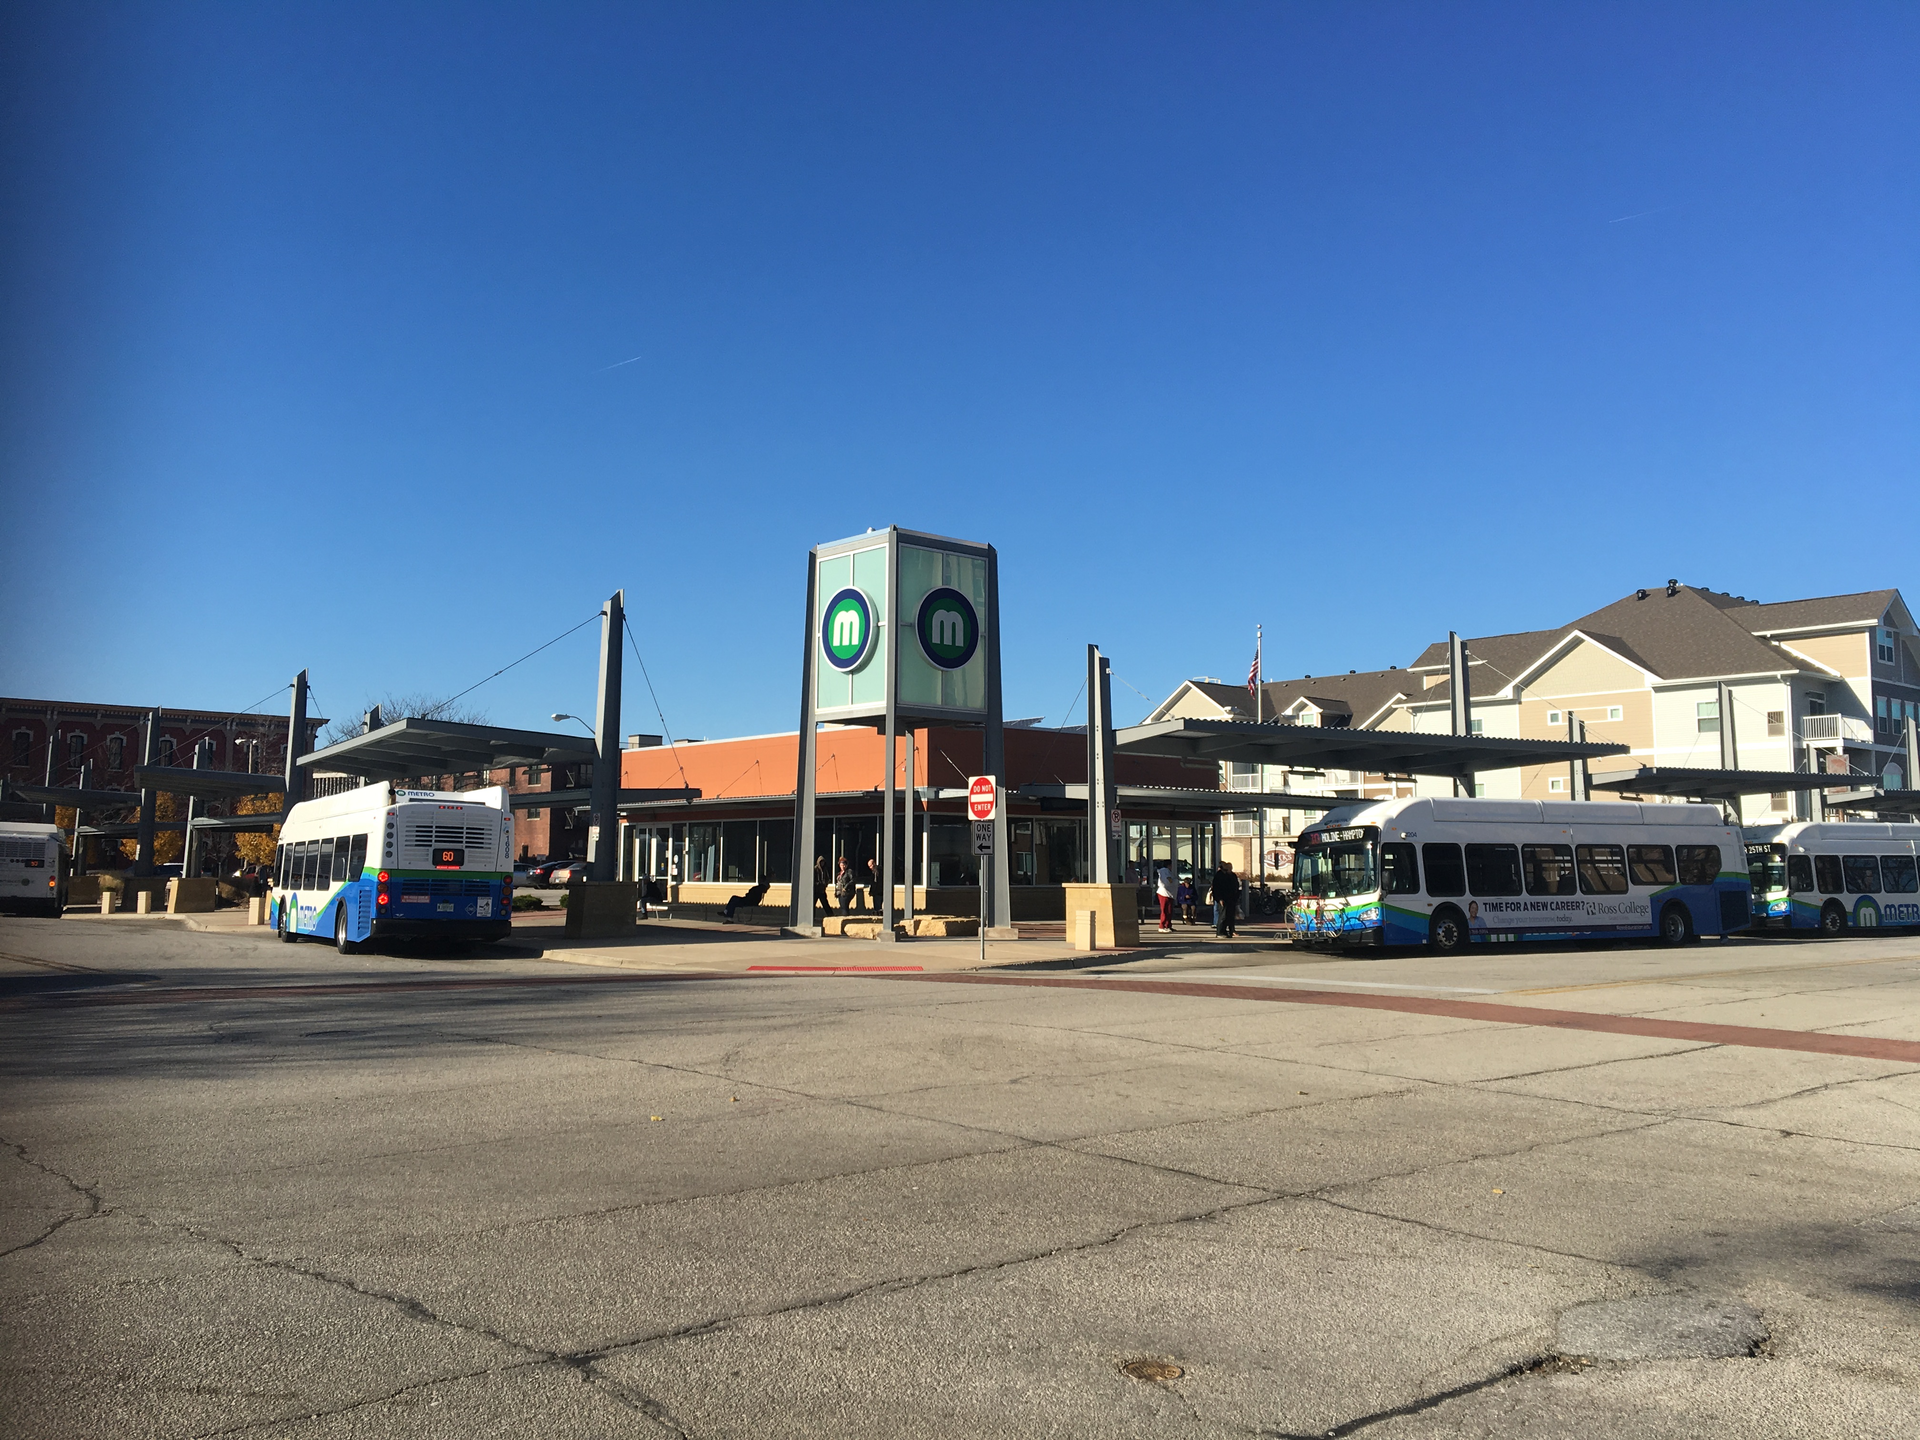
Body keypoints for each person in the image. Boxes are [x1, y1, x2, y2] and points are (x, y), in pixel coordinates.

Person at [1212, 859, 1241, 937]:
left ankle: (1227, 931)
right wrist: (1219, 899)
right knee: (1223, 915)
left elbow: (1235, 886)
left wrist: (1236, 896)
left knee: (1230, 915)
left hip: (1231, 899)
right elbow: (1216, 888)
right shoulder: (1219, 875)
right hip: (1223, 898)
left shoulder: (1232, 875)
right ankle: (1220, 932)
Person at [1155, 861, 1176, 932]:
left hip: (1169, 893)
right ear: (1168, 865)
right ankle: (1162, 926)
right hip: (1164, 893)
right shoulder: (1164, 871)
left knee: (1169, 910)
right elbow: (1167, 881)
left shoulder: (1168, 872)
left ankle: (1168, 925)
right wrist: (1174, 882)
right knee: (1165, 910)